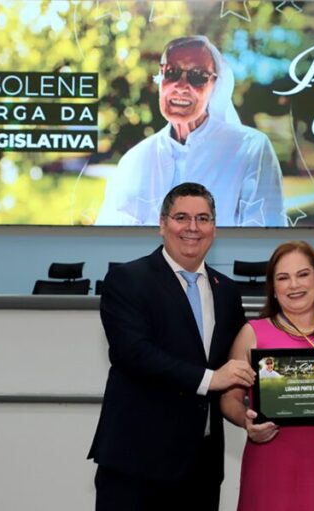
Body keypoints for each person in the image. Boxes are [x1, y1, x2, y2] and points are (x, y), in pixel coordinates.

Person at [88, 182, 255, 511]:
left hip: (201, 468)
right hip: (136, 465)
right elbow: (134, 354)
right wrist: (211, 379)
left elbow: (239, 359)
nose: (193, 227)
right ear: (162, 224)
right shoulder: (128, 279)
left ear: (214, 228)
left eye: (203, 218)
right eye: (182, 217)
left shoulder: (227, 291)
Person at [221, 241, 314, 511]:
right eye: (283, 278)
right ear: (274, 289)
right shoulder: (252, 334)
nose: (294, 285)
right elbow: (229, 399)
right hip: (270, 466)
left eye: (303, 274)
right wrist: (246, 422)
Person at [95, 35, 286, 227]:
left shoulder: (251, 150)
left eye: (197, 76)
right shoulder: (133, 161)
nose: (181, 86)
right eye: (171, 72)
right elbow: (107, 239)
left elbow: (264, 238)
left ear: (215, 85)